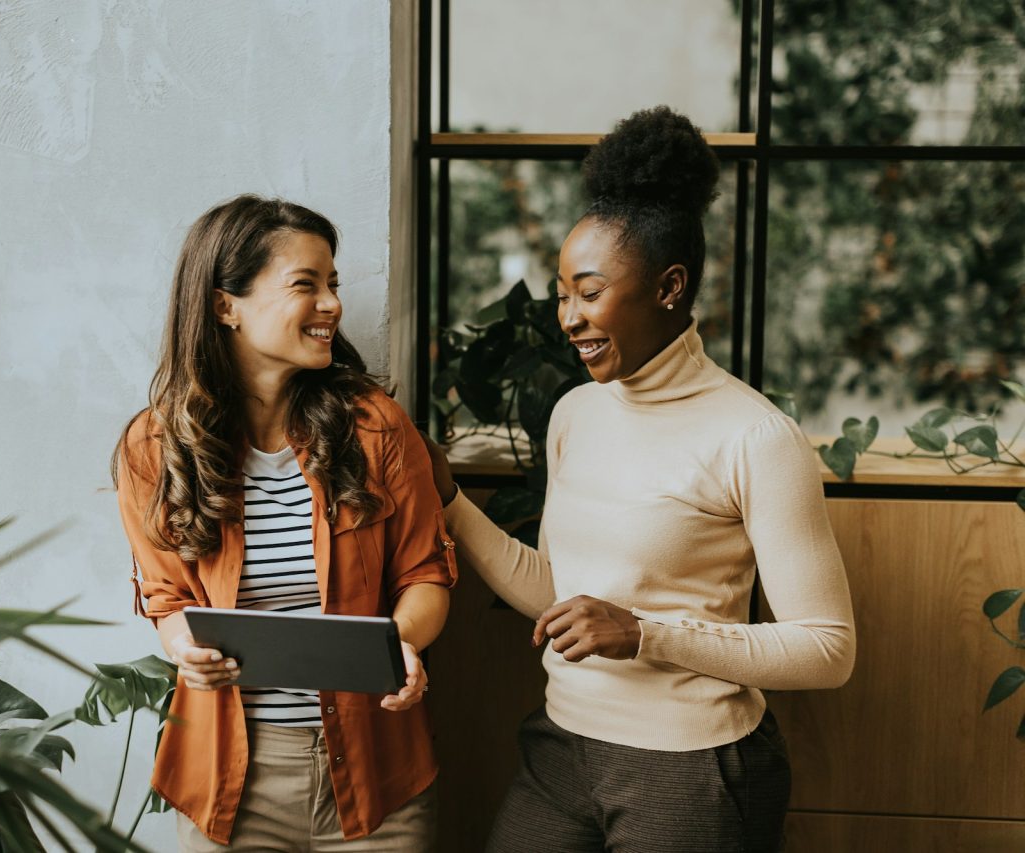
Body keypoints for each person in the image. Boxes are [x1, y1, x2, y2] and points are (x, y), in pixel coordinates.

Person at [425, 107, 856, 852]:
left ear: (669, 286)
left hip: (692, 767)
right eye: (562, 294)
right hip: (561, 748)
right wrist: (450, 502)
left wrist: (643, 632)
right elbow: (563, 593)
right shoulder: (574, 414)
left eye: (588, 293)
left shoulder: (755, 436)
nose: (568, 317)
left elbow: (828, 648)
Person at [114, 195, 456, 851]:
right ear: (225, 306)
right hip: (230, 777)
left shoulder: (377, 424)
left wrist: (402, 644)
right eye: (307, 284)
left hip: (378, 773)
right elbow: (168, 600)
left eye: (333, 283)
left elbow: (427, 576)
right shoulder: (153, 448)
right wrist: (185, 647)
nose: (331, 303)